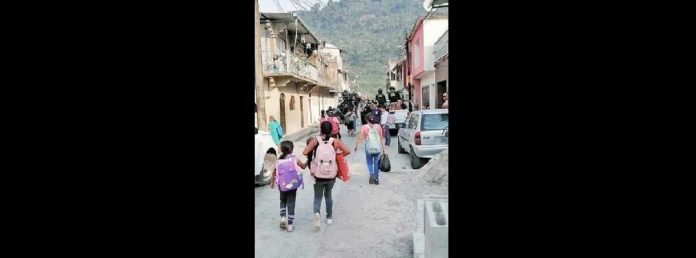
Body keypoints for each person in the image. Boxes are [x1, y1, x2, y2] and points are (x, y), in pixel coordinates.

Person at [303, 122, 351, 230]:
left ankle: (317, 214)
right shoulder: (335, 142)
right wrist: (336, 157)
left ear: (321, 130)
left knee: (317, 196)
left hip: (318, 175)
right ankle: (329, 217)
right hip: (331, 174)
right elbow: (348, 151)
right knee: (328, 196)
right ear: (331, 130)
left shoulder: (316, 140)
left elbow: (305, 152)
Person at [270, 140, 307, 232]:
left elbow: (274, 172)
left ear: (282, 150)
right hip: (292, 186)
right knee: (291, 204)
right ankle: (290, 225)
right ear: (292, 149)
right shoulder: (294, 158)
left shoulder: (278, 161)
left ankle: (283, 218)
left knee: (282, 201)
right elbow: (303, 166)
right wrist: (308, 160)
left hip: (281, 186)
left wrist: (272, 182)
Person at [354, 113, 386, 185]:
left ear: (367, 120)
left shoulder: (364, 127)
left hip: (369, 147)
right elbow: (381, 138)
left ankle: (372, 175)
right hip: (377, 147)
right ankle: (376, 179)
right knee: (376, 163)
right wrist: (384, 149)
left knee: (369, 162)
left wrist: (356, 146)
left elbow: (360, 138)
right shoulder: (378, 127)